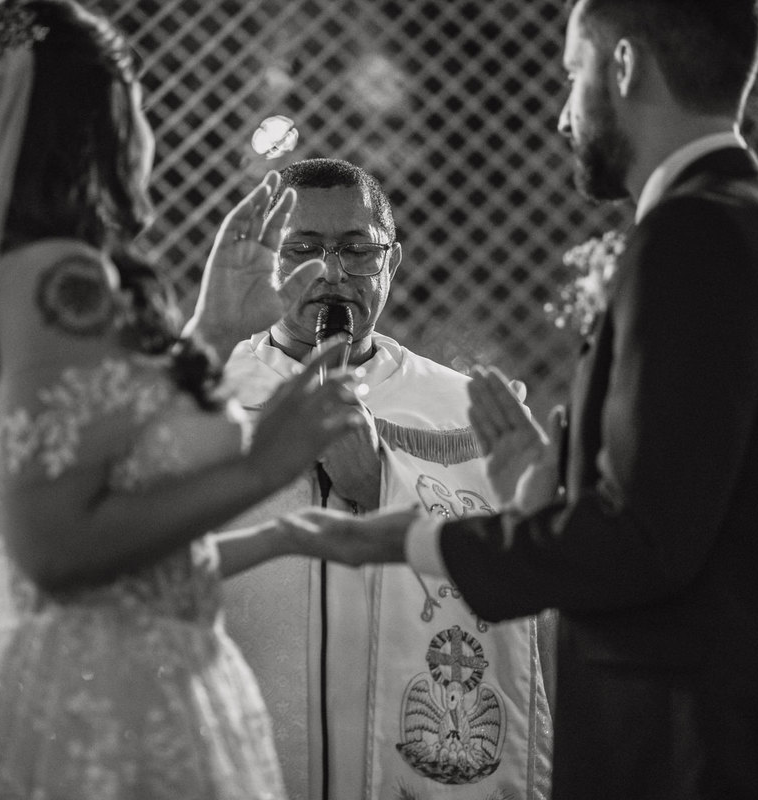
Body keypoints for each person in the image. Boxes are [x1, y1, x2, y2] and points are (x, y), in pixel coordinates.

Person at [292, 1, 758, 798]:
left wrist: (412, 541)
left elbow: (643, 543)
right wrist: (548, 485)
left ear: (623, 68)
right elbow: (700, 500)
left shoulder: (691, 240)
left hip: (713, 752)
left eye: (572, 74)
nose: (561, 114)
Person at [0, 2, 370, 798]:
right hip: (108, 706)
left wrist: (209, 330)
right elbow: (54, 545)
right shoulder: (59, 276)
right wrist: (265, 460)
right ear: (102, 117)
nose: (146, 125)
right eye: (136, 94)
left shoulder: (17, 275)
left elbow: (106, 453)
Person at [218, 158, 553, 800]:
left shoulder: (463, 411)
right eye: (303, 250)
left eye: (357, 250)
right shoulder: (212, 400)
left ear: (391, 260)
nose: (333, 273)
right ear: (267, 261)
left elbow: (519, 584)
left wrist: (383, 485)